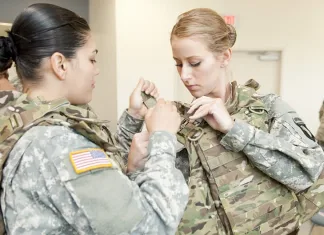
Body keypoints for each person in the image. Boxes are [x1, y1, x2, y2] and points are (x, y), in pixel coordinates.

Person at [0, 3, 188, 235]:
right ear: (60, 64)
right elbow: (153, 226)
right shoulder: (56, 143)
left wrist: (133, 162)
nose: (96, 70)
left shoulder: (22, 119)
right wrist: (163, 138)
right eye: (91, 59)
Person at [168, 8, 324, 235]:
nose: (184, 75)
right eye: (178, 64)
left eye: (194, 62)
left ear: (225, 56)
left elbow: (309, 175)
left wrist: (234, 129)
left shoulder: (268, 108)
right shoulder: (178, 122)